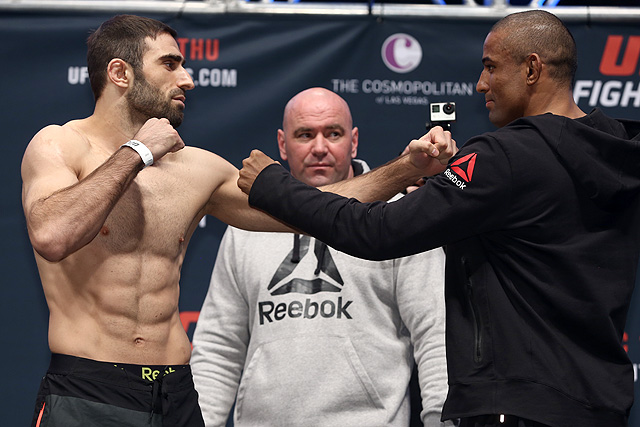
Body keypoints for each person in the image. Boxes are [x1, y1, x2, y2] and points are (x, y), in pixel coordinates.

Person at [238, 10, 640, 427]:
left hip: (518, 406)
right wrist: (444, 199)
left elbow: (376, 231)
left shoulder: (503, 156)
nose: (480, 84)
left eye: (491, 67)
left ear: (532, 69)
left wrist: (273, 186)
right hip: (599, 406)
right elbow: (538, 243)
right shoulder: (616, 153)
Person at [20, 14, 301, 427]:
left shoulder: (198, 169)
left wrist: (397, 174)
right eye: (170, 64)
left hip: (176, 394)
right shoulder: (60, 144)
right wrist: (138, 151)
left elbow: (318, 212)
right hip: (89, 392)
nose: (187, 80)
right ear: (120, 73)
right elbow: (52, 235)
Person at [189, 87, 451, 427]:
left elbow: (436, 333)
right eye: (305, 135)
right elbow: (219, 347)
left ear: (353, 142)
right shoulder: (246, 225)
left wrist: (442, 419)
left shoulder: (397, 215)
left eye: (333, 133)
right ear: (282, 144)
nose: (319, 148)